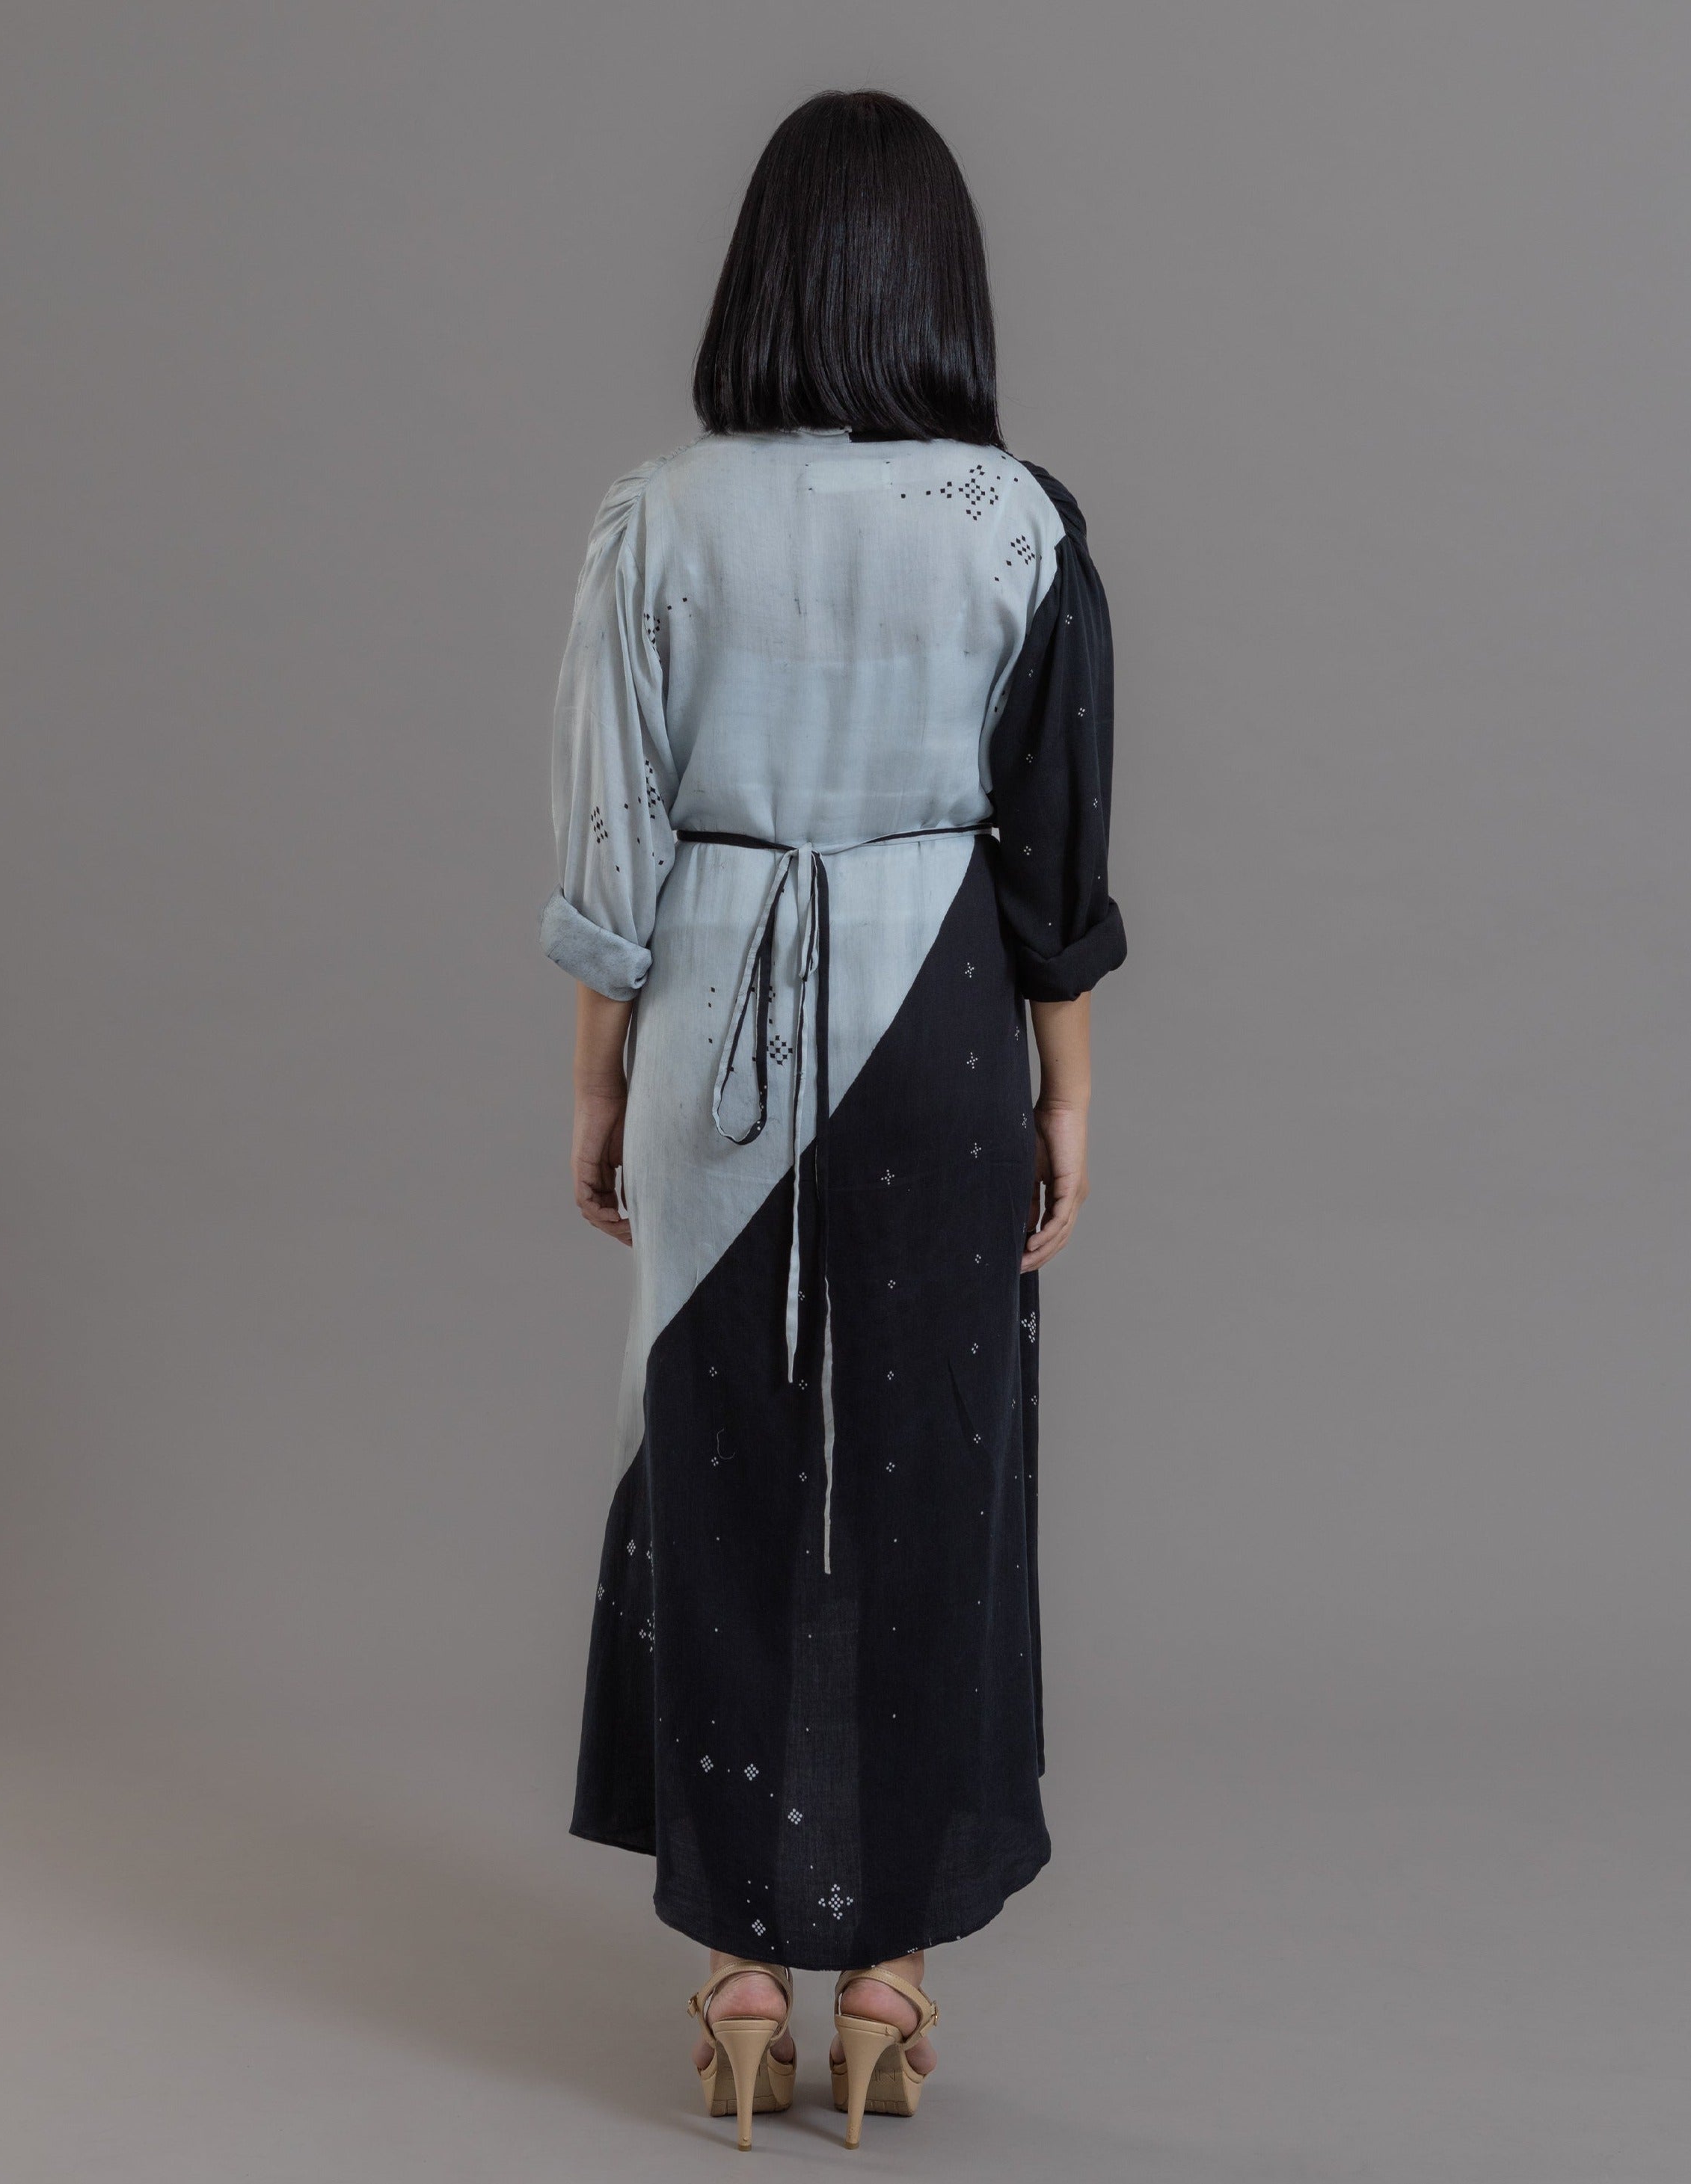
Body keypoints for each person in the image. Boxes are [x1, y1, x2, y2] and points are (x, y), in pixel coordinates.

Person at [541, 87, 1126, 2150]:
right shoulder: (1015, 519)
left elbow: (608, 830)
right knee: (931, 1468)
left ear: (762, 277)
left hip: (713, 1012)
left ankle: (730, 1974)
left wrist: (598, 1077)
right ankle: (885, 1972)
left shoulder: (656, 516)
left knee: (715, 1457)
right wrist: (1068, 1094)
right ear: (939, 285)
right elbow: (1053, 847)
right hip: (940, 1016)